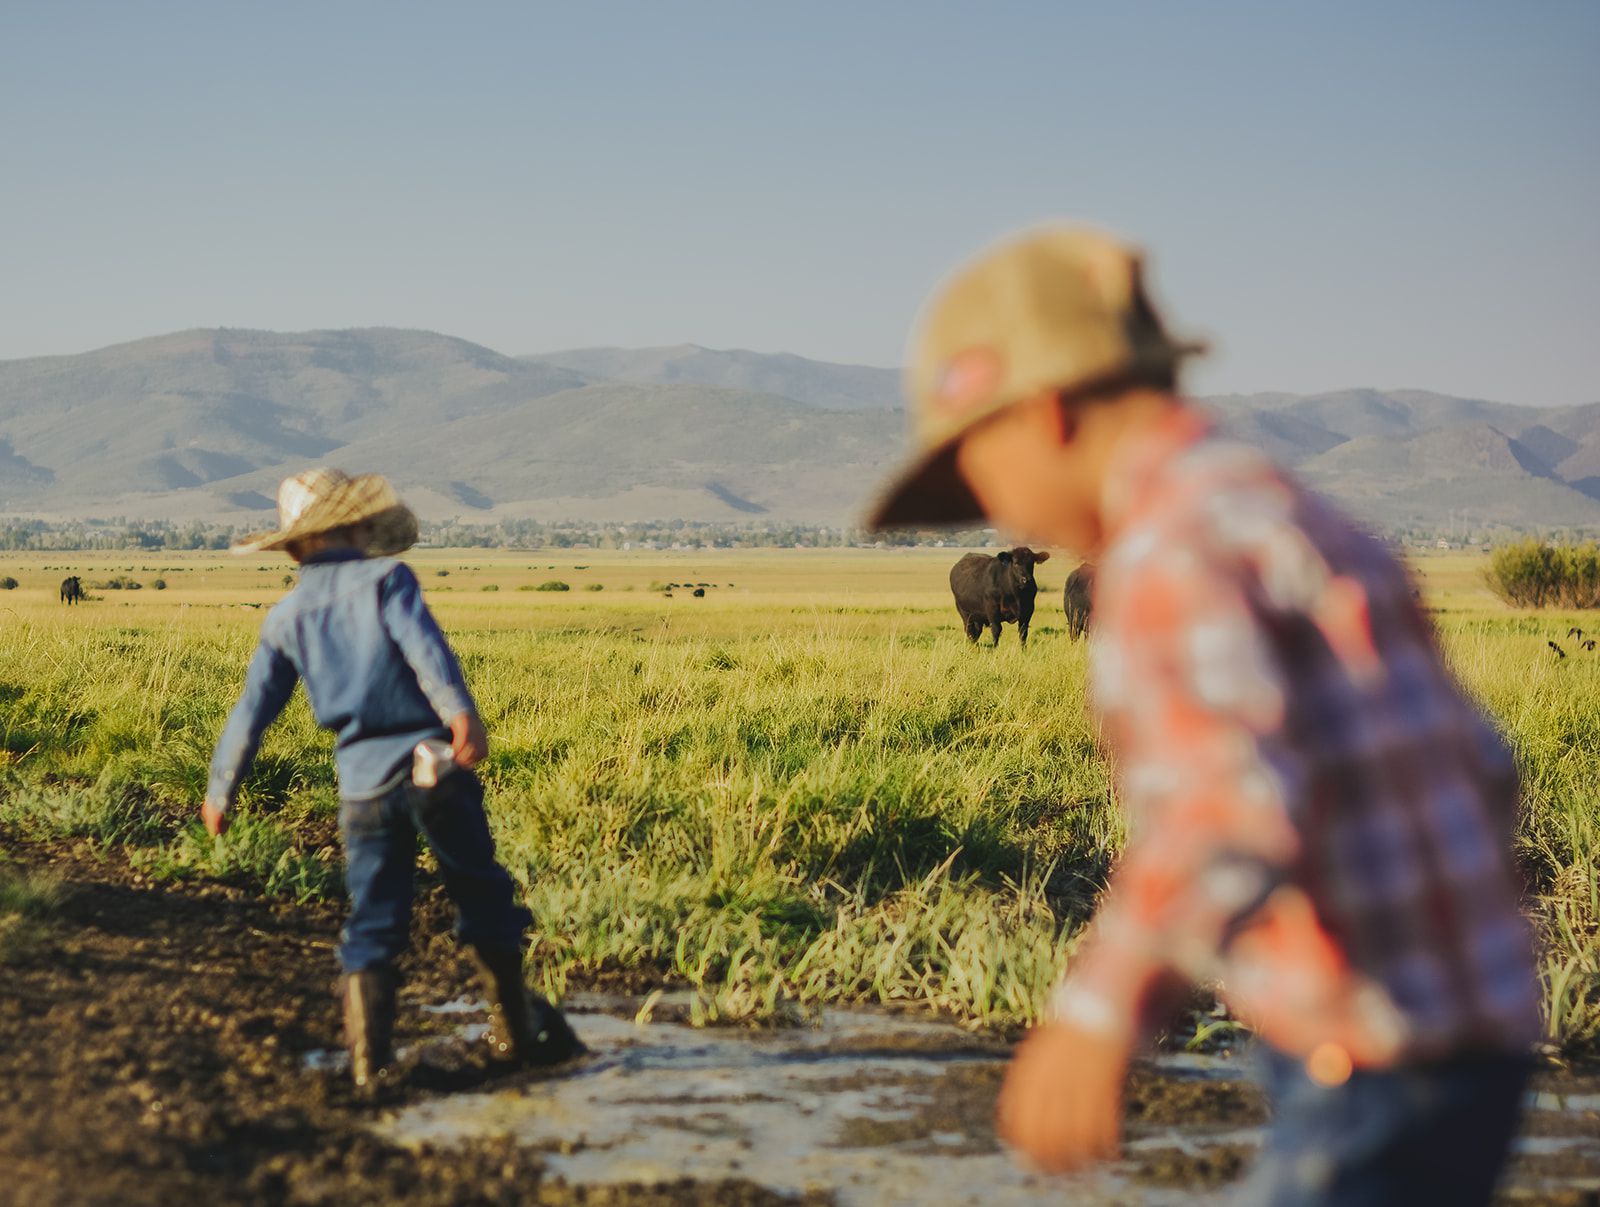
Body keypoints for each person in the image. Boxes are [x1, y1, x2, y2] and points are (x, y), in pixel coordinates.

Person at [867, 227, 1538, 1205]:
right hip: (1476, 1032)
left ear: (1044, 417)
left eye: (974, 470)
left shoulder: (1164, 560)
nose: (986, 505)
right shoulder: (1286, 513)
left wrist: (1098, 1016)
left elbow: (1225, 813)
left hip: (1367, 1046)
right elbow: (1482, 761)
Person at [203, 468, 583, 1091]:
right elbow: (426, 650)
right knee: (481, 892)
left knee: (373, 917)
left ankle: (368, 1067)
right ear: (356, 525)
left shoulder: (286, 615)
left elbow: (251, 712)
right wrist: (461, 712)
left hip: (362, 786)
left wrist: (222, 789)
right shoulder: (387, 579)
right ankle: (516, 1036)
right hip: (433, 764)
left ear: (294, 545)